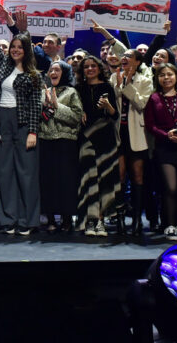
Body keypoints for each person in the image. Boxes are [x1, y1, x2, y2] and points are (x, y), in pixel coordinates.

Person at [0, 4, 42, 236]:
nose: (15, 50)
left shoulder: (33, 75)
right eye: (13, 47)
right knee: (4, 171)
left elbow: (36, 105)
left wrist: (33, 131)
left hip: (24, 123)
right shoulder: (5, 66)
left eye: (19, 47)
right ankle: (9, 219)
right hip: (3, 122)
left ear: (26, 50)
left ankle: (27, 220)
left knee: (26, 174)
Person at [143, 63, 177, 241]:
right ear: (157, 78)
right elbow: (150, 125)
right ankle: (168, 225)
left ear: (176, 77)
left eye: (169, 74)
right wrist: (166, 135)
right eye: (162, 75)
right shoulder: (154, 98)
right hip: (165, 147)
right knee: (170, 187)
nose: (166, 78)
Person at [110, 49, 154, 236]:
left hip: (136, 134)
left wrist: (127, 85)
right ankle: (120, 218)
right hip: (118, 133)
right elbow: (112, 103)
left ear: (137, 62)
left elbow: (141, 104)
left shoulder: (145, 80)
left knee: (137, 177)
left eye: (129, 56)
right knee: (119, 177)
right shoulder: (114, 78)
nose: (124, 58)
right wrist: (119, 85)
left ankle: (137, 219)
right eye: (124, 56)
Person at [75, 55, 119, 236]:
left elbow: (115, 115)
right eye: (86, 67)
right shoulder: (78, 88)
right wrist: (79, 113)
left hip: (105, 137)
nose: (90, 69)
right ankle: (89, 220)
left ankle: (100, 219)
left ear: (100, 68)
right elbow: (74, 110)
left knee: (104, 177)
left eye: (93, 66)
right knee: (88, 178)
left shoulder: (107, 87)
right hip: (85, 137)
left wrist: (108, 105)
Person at [38, 61, 83, 232]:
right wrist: (43, 107)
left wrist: (57, 106)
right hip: (45, 141)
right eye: (51, 70)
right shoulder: (43, 92)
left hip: (66, 142)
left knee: (66, 181)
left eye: (57, 70)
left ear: (64, 73)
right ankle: (50, 218)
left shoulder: (71, 92)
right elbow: (35, 116)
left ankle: (66, 218)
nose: (53, 72)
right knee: (47, 181)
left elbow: (76, 117)